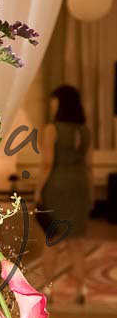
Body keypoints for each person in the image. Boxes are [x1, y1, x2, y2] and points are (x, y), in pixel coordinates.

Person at [34, 85, 93, 304]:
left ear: (61, 103)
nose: (52, 105)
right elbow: (89, 165)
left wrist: (38, 190)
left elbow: (47, 163)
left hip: (58, 184)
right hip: (79, 184)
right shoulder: (85, 131)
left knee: (52, 239)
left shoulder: (52, 129)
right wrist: (90, 192)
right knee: (77, 242)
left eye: (54, 101)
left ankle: (48, 290)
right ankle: (82, 289)